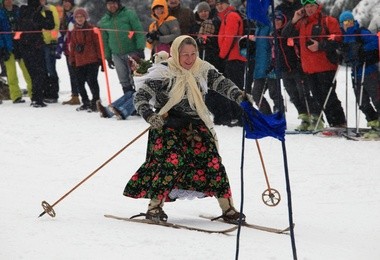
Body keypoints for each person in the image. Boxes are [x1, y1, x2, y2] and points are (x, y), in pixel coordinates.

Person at [123, 35, 247, 224]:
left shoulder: (202, 69)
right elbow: (140, 97)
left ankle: (228, 208)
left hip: (196, 126)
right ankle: (154, 207)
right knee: (172, 162)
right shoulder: (164, 72)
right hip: (168, 126)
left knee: (213, 163)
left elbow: (222, 83)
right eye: (184, 55)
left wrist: (239, 96)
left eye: (193, 54)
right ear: (175, 54)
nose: (189, 59)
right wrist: (149, 115)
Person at [282, 0, 346, 129]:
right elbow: (285, 35)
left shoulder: (328, 21)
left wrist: (320, 46)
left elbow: (338, 40)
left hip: (326, 65)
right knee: (318, 97)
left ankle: (339, 123)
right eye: (306, 6)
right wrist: (295, 19)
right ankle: (332, 123)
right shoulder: (302, 23)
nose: (309, 9)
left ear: (317, 6)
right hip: (309, 68)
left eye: (312, 6)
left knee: (328, 96)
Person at [339, 11, 380, 138]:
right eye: (345, 22)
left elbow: (375, 41)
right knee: (362, 101)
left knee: (376, 98)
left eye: (350, 21)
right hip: (356, 72)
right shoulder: (344, 37)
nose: (348, 24)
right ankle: (373, 121)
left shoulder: (360, 32)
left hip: (368, 70)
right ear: (341, 24)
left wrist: (363, 49)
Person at [98, 0, 145, 95]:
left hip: (132, 52)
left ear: (118, 4)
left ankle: (139, 99)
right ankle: (128, 99)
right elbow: (105, 41)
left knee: (135, 77)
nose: (112, 6)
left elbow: (138, 31)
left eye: (114, 3)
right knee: (123, 79)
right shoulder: (104, 21)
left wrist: (140, 48)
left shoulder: (128, 14)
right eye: (109, 4)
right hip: (116, 54)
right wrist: (107, 57)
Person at [18, 0, 54, 107]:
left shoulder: (22, 12)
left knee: (33, 74)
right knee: (39, 73)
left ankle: (35, 97)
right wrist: (48, 12)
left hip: (24, 47)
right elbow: (49, 25)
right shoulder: (35, 14)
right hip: (35, 47)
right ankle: (37, 99)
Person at [69, 8, 101, 112]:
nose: (79, 19)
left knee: (92, 81)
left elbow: (98, 44)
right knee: (79, 83)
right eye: (77, 17)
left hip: (92, 60)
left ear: (85, 17)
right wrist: (72, 60)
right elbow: (72, 47)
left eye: (81, 16)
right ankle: (85, 102)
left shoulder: (92, 29)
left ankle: (96, 101)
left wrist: (100, 58)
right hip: (79, 61)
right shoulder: (73, 31)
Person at [2, 0, 33, 104]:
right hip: (7, 46)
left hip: (20, 44)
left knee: (27, 69)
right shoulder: (1, 12)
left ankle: (33, 93)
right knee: (11, 72)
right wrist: (2, 47)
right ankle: (15, 96)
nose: (8, 1)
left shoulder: (18, 10)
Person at [59, 0, 80, 105]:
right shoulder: (63, 16)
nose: (66, 4)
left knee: (78, 73)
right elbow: (61, 34)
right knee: (72, 73)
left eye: (68, 2)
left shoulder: (76, 14)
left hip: (76, 49)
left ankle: (80, 95)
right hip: (68, 50)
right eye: (64, 2)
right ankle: (75, 95)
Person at [39, 0, 60, 104]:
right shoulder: (36, 9)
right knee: (43, 69)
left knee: (51, 68)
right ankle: (46, 92)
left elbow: (56, 25)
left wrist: (53, 39)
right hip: (40, 43)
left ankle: (53, 93)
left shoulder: (51, 8)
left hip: (49, 43)